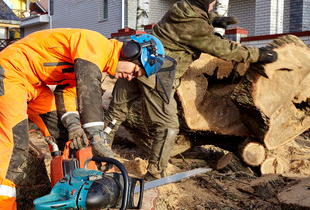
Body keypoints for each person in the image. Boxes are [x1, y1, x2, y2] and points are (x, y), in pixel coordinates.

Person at [0, 28, 166, 210]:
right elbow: (88, 88)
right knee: (13, 146)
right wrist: (97, 137)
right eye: (134, 71)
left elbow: (66, 92)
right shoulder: (96, 45)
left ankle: (70, 196)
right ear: (130, 51)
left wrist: (72, 125)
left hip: (35, 84)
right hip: (10, 71)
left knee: (65, 138)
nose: (129, 77)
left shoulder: (94, 62)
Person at [104, 0, 278, 181]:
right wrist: (258, 55)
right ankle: (155, 173)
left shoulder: (179, 8)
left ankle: (98, 158)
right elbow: (224, 49)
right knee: (167, 126)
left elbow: (193, 18)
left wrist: (214, 20)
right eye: (211, 4)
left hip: (135, 61)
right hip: (157, 73)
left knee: (114, 115)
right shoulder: (196, 26)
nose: (211, 6)